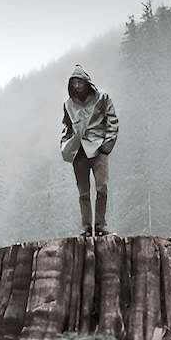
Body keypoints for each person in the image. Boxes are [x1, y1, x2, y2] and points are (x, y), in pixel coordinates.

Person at [61, 65, 118, 236]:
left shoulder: (102, 97)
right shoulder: (68, 105)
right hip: (79, 151)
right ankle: (86, 228)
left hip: (98, 147)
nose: (77, 86)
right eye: (74, 83)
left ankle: (100, 226)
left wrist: (106, 146)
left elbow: (112, 120)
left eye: (80, 82)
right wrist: (65, 146)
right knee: (83, 193)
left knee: (102, 188)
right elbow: (67, 127)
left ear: (87, 83)